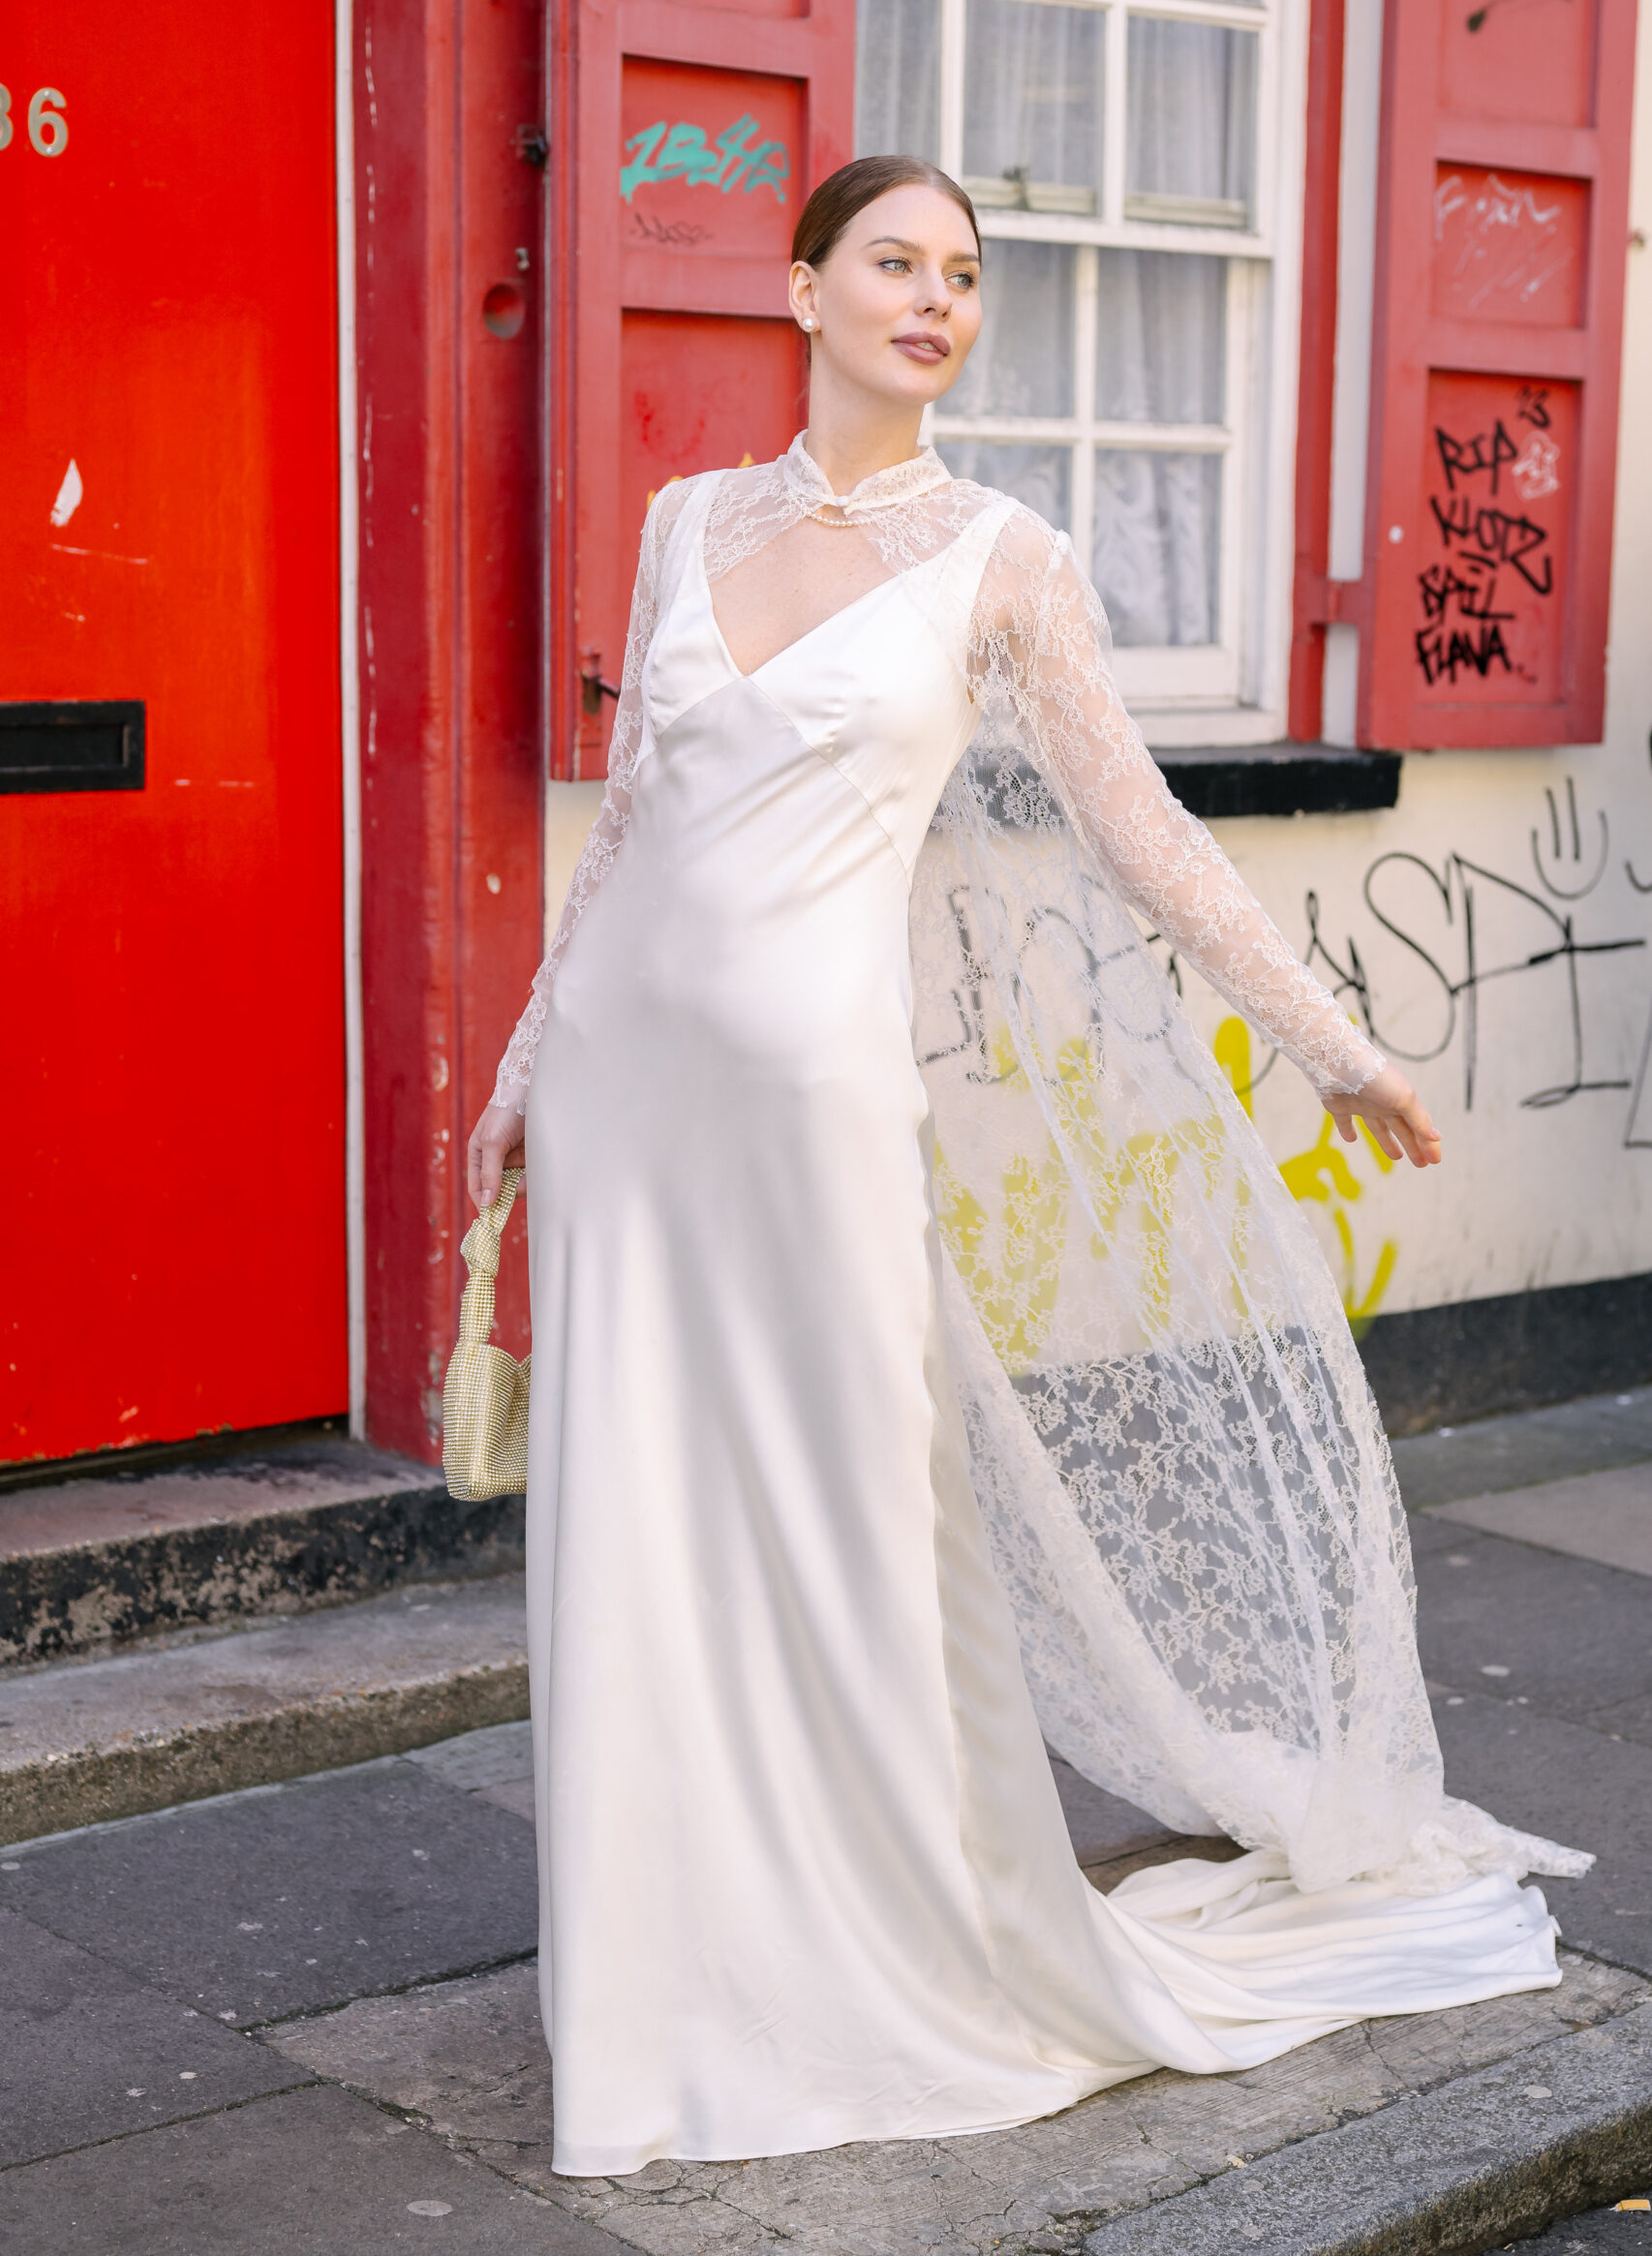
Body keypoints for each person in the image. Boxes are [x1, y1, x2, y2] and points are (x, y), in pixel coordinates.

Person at [467, 154, 1585, 2180]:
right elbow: (629, 820)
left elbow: (1146, 838)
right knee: (640, 1533)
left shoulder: (1005, 557)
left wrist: (1335, 1045)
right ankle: (661, 1985)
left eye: (963, 276)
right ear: (802, 289)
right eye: (893, 262)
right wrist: (532, 1058)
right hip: (631, 1095)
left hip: (814, 1114)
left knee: (852, 1536)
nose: (933, 299)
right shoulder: (683, 521)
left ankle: (872, 1951)